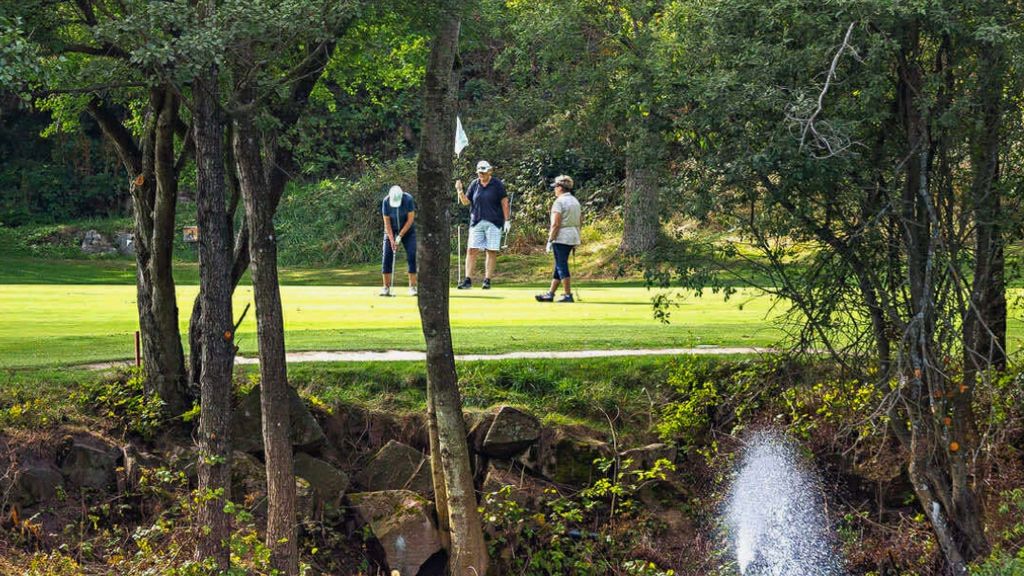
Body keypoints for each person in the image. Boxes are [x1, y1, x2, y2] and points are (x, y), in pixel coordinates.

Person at [455, 160, 510, 289]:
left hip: (494, 222)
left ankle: (487, 280)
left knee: (491, 251)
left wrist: (507, 220)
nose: (482, 175)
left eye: (484, 172)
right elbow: (465, 202)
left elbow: (505, 203)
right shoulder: (474, 184)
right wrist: (459, 191)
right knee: (471, 250)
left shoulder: (497, 184)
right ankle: (468, 280)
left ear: (489, 171)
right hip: (476, 222)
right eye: (480, 173)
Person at [535, 175, 581, 303]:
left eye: (555, 187)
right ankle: (550, 293)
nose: (554, 190)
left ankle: (567, 294)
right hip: (573, 235)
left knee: (561, 265)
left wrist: (550, 240)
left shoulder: (559, 202)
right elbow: (579, 221)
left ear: (560, 188)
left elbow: (556, 224)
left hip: (562, 236)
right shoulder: (575, 201)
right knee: (559, 265)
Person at [380, 185, 417, 296]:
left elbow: (410, 220)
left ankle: (412, 287)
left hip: (408, 230)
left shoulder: (408, 199)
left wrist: (400, 236)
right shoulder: (386, 201)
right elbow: (387, 223)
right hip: (391, 229)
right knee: (387, 256)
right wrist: (392, 239)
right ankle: (386, 288)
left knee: (412, 255)